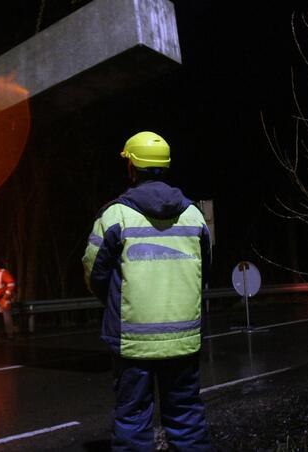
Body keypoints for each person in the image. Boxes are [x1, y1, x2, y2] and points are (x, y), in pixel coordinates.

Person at [82, 131, 212, 451]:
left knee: (133, 419)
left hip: (132, 341)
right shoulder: (194, 215)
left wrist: (115, 301)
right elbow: (204, 272)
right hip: (183, 339)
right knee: (186, 417)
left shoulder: (115, 215)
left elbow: (93, 272)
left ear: (132, 168)